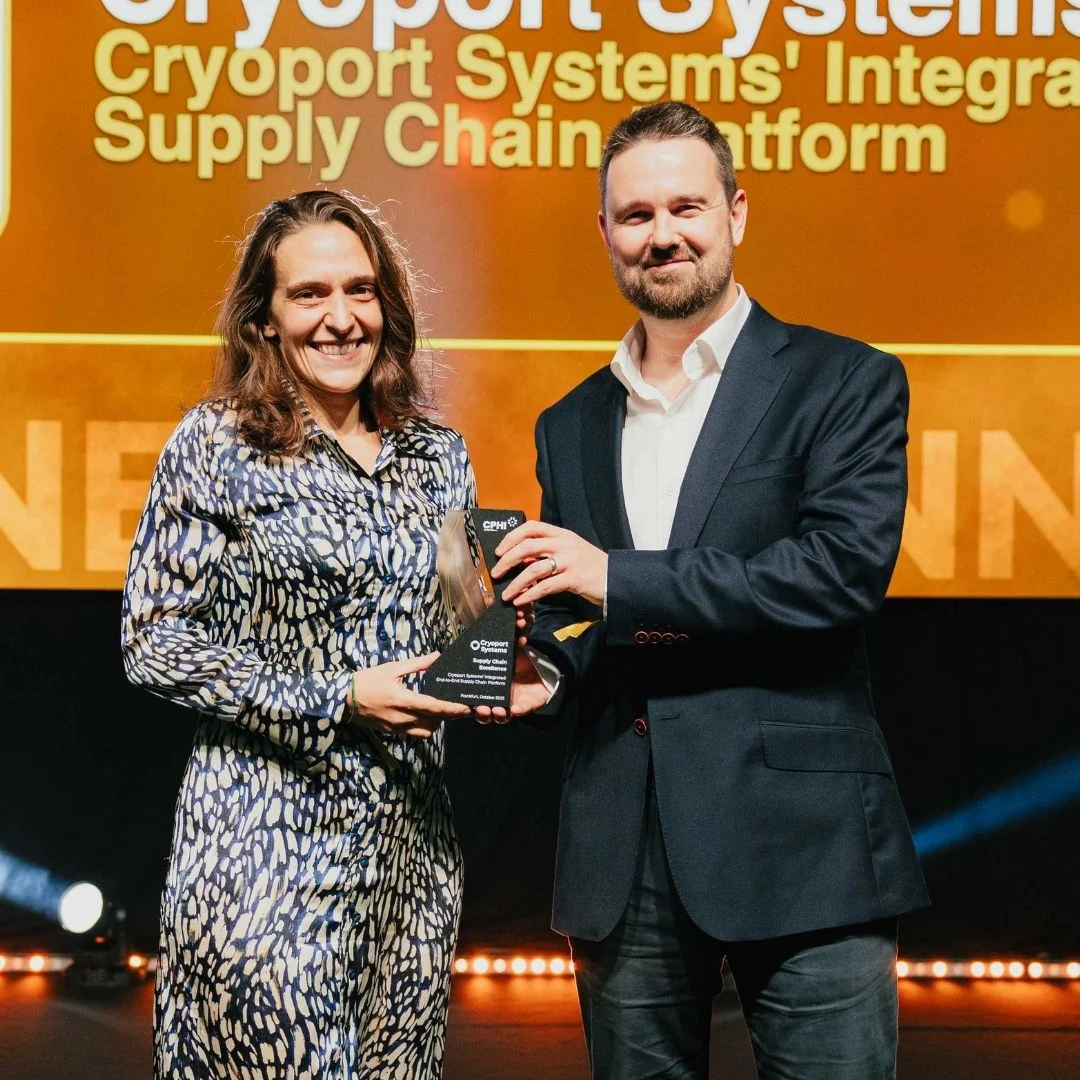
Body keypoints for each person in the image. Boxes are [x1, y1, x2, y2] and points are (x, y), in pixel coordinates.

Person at [490, 102, 930, 1080]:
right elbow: (578, 620)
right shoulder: (570, 421)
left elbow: (838, 575)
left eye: (686, 207)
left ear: (736, 211)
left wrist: (617, 579)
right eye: (636, 215)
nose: (663, 235)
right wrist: (541, 675)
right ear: (605, 232)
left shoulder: (844, 380)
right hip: (622, 847)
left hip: (805, 843)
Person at [122, 190, 481, 1078]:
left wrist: (514, 657)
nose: (340, 317)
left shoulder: (438, 456)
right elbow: (153, 639)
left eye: (360, 290)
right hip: (261, 848)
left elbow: (463, 621)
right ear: (266, 318)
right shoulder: (217, 445)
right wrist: (336, 697)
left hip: (408, 857)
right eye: (309, 294)